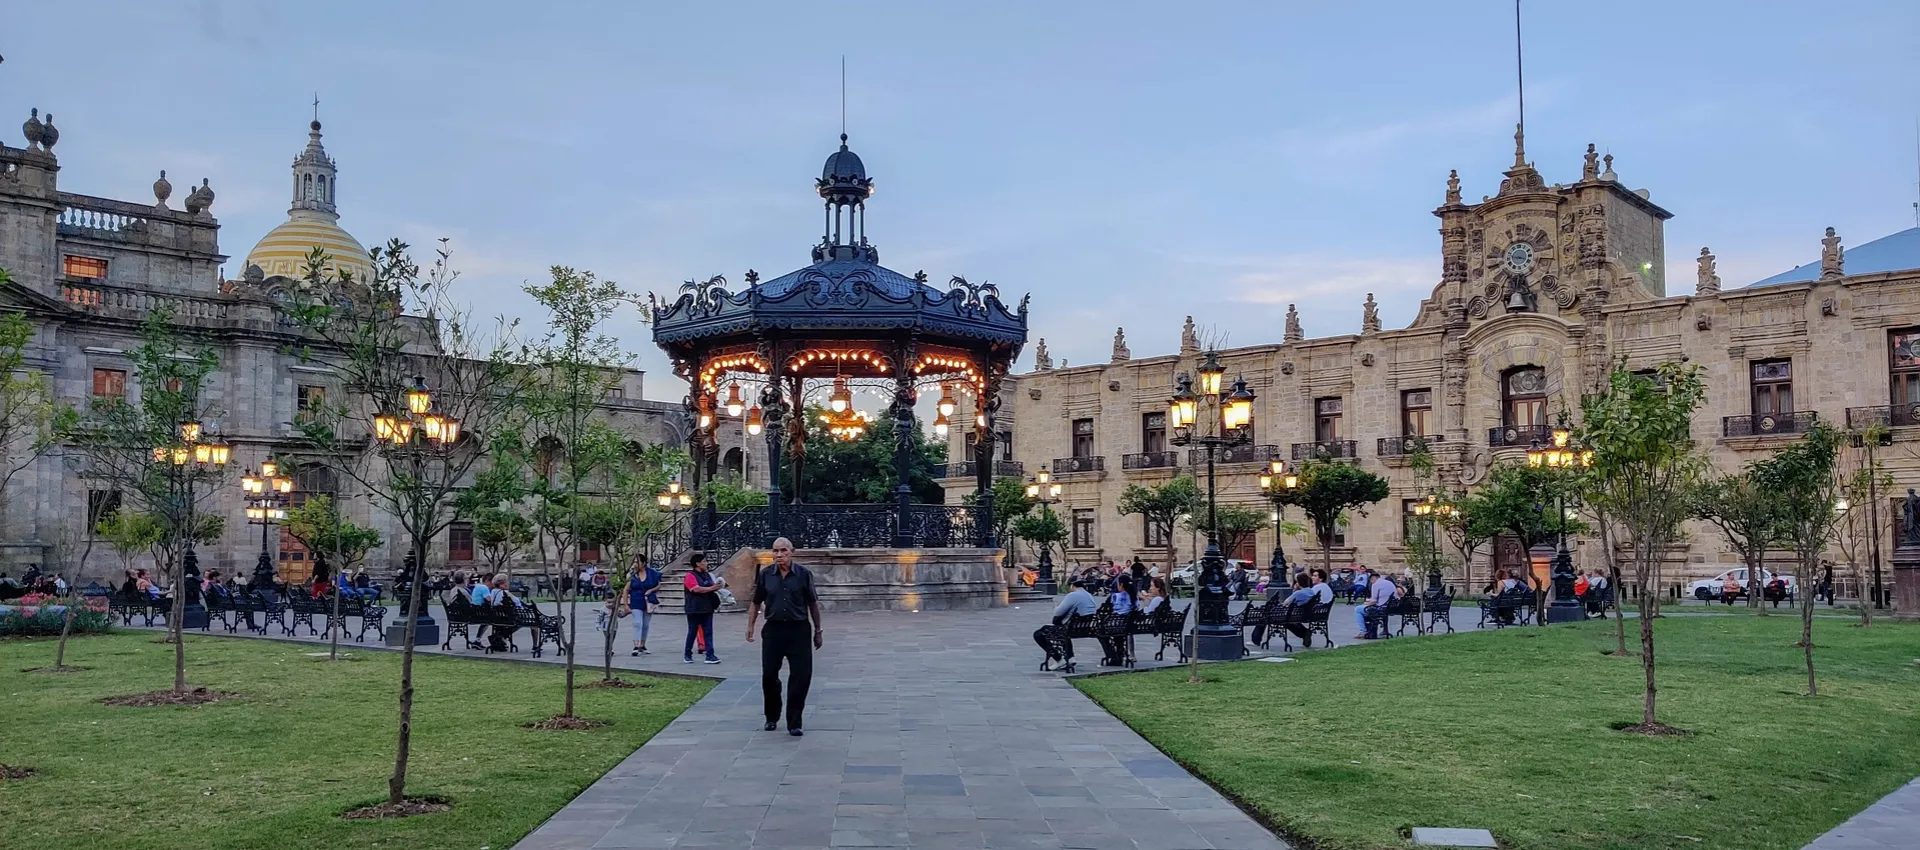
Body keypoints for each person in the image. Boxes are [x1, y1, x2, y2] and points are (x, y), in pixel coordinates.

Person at [745, 538, 822, 735]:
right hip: (774, 630)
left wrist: (818, 631)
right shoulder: (766, 575)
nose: (779, 555)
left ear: (792, 552)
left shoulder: (804, 574)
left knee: (801, 677)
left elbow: (813, 603)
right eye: (775, 551)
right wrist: (750, 626)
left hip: (799, 630)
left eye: (783, 550)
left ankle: (794, 722)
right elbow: (756, 601)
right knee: (769, 675)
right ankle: (772, 716)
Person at [1035, 578, 1099, 668]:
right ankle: (1070, 658)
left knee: (1039, 634)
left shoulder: (1073, 595)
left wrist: (1056, 606)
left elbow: (1058, 612)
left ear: (1072, 585)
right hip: (1085, 627)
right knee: (1064, 631)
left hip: (1072, 628)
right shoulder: (1089, 596)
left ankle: (1058, 659)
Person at [681, 553, 724, 664]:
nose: (706, 564)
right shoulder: (690, 575)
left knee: (708, 632)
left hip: (707, 607)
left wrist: (718, 586)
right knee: (692, 632)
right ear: (698, 563)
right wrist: (711, 588)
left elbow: (712, 586)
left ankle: (710, 655)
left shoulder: (707, 575)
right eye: (704, 561)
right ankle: (687, 654)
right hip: (694, 608)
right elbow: (696, 589)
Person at [1098, 575, 1135, 666]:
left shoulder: (1114, 597)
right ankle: (1119, 654)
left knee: (1100, 633)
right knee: (1118, 634)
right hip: (1127, 625)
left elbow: (1104, 610)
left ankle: (1112, 655)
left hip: (1115, 625)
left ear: (1121, 585)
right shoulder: (1134, 597)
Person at [628, 554, 661, 656]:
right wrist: (625, 604)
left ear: (643, 563)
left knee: (645, 624)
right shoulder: (632, 575)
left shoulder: (652, 573)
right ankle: (636, 645)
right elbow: (626, 590)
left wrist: (651, 590)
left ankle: (642, 644)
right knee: (638, 623)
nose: (635, 564)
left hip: (648, 601)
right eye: (634, 562)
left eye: (637, 562)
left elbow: (658, 584)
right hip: (636, 600)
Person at [1356, 572, 1403, 639]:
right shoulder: (1390, 583)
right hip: (1392, 607)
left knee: (1358, 609)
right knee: (1366, 609)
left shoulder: (1375, 584)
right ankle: (1383, 630)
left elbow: (1374, 601)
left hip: (1381, 608)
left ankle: (1363, 631)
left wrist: (1366, 603)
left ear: (1372, 579)